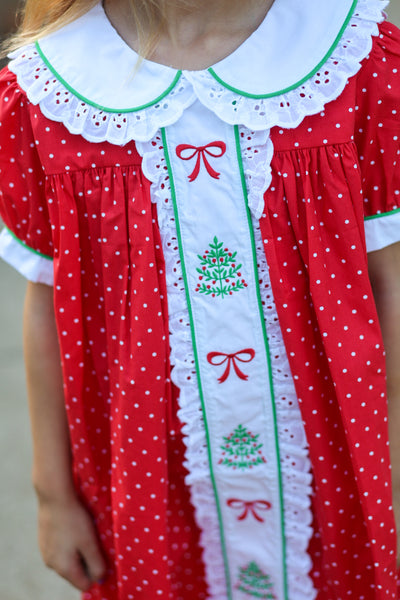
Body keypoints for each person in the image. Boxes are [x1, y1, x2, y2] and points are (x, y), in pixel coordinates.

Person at [1, 0, 400, 598]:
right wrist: (53, 494)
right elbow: (47, 310)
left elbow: (391, 285)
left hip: (340, 458)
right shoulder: (48, 93)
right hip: (149, 474)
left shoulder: (353, 63)